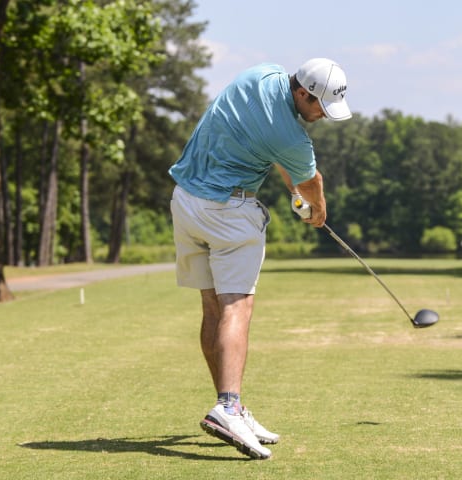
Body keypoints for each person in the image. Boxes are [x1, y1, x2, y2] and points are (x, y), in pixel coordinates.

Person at [168, 58, 351, 459]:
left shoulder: (260, 74)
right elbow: (310, 180)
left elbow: (282, 162)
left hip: (185, 202)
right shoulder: (294, 139)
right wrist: (316, 210)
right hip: (227, 212)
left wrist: (295, 194)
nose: (321, 115)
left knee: (212, 305)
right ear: (302, 93)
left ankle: (231, 405)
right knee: (238, 306)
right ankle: (227, 407)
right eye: (320, 105)